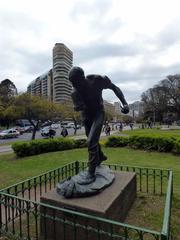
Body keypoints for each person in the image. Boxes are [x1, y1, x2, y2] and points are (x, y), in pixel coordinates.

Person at [69, 66, 129, 184]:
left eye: (75, 82)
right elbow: (78, 107)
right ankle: (100, 156)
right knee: (92, 140)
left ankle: (91, 172)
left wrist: (125, 103)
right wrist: (78, 107)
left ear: (82, 78)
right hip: (86, 116)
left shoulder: (97, 80)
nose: (74, 85)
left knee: (91, 142)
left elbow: (114, 87)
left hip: (98, 113)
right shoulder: (75, 92)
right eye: (72, 83)